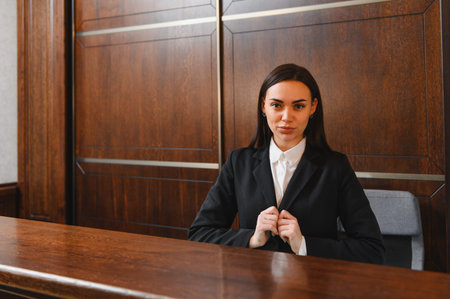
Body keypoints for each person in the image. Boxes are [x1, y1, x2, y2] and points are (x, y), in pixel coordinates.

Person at [188, 63, 385, 264]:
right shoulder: (239, 163)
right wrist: (252, 238)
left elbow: (371, 249)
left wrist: (303, 245)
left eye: (298, 106)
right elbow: (199, 233)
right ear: (263, 106)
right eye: (277, 105)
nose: (286, 117)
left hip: (313, 286)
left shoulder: (336, 167)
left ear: (313, 107)